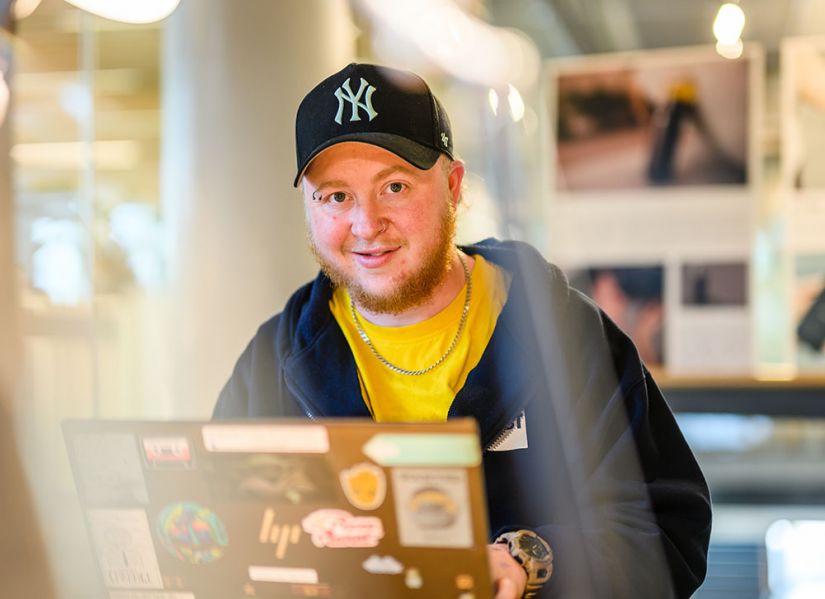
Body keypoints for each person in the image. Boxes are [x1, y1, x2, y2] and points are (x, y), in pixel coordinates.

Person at [214, 63, 712, 598]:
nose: (365, 223)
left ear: (453, 186)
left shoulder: (562, 335)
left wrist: (527, 562)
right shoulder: (276, 360)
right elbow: (218, 540)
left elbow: (665, 531)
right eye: (335, 197)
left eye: (395, 186)